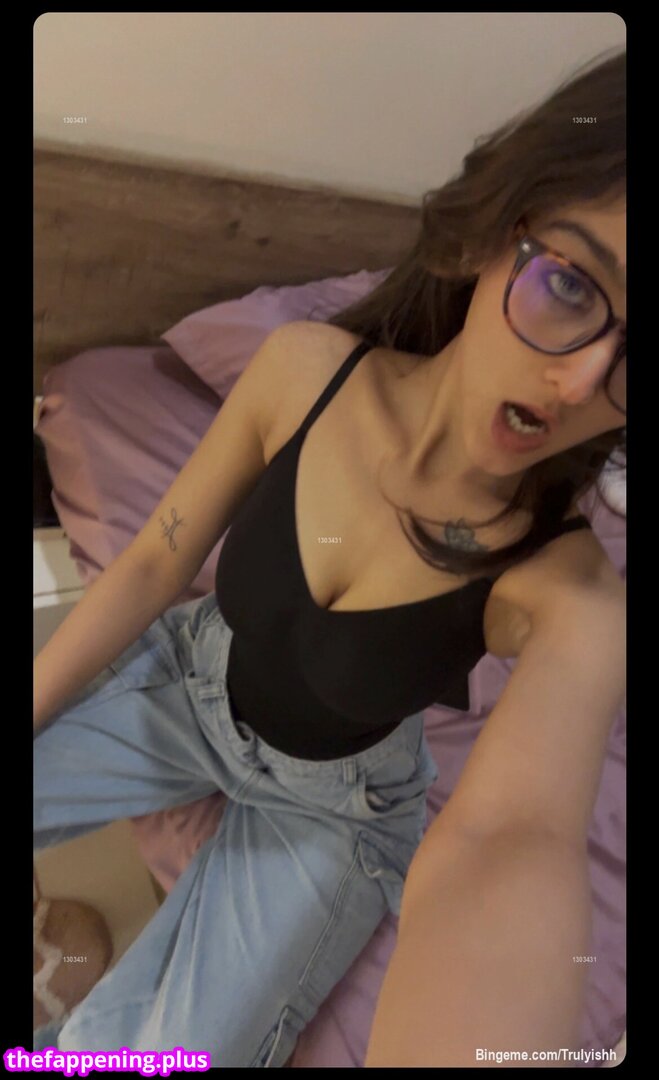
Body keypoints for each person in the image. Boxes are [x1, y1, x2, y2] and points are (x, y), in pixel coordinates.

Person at [33, 46, 626, 1067]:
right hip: (190, 683)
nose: (579, 384)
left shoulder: (569, 595)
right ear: (487, 237)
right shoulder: (304, 372)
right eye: (569, 285)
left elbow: (514, 844)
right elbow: (154, 565)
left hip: (333, 811)